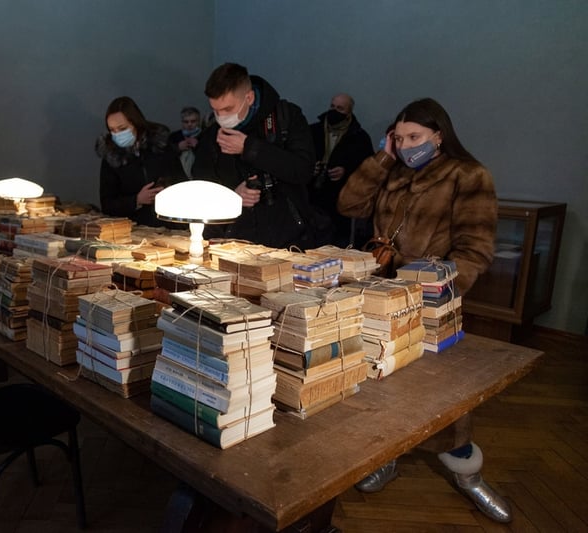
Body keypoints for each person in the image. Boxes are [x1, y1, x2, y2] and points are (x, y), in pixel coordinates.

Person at [338, 98, 510, 523]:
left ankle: (467, 471)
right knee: (382, 377)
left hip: (432, 298)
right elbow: (349, 205)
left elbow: (474, 250)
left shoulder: (468, 175)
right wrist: (382, 158)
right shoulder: (394, 170)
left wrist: (433, 292)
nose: (406, 145)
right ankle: (385, 456)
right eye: (398, 138)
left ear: (439, 135)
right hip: (379, 292)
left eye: (414, 137)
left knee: (443, 393)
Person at [192, 62, 329, 249]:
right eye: (215, 110)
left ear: (249, 98)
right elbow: (201, 184)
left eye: (228, 109)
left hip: (289, 237)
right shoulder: (212, 134)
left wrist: (250, 148)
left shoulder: (286, 117)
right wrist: (232, 195)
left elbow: (303, 170)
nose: (221, 117)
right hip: (235, 241)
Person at [95, 96, 185, 228]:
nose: (117, 134)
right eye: (112, 130)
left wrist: (167, 188)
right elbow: (107, 204)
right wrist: (136, 200)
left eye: (122, 128)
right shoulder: (112, 157)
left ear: (135, 123)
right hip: (134, 228)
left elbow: (182, 182)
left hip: (171, 225)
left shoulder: (161, 146)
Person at [308, 93, 373, 248]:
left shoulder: (359, 137)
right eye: (332, 106)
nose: (334, 111)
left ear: (349, 112)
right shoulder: (313, 131)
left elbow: (367, 169)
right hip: (312, 197)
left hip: (340, 202)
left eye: (340, 108)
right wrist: (310, 167)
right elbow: (300, 156)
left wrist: (346, 171)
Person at [168, 106, 203, 177]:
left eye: (193, 121)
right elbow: (166, 157)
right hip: (178, 175)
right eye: (186, 122)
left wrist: (197, 147)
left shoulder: (205, 135)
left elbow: (208, 157)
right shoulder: (174, 137)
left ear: (199, 121)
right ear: (182, 122)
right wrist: (178, 148)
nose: (189, 124)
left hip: (200, 174)